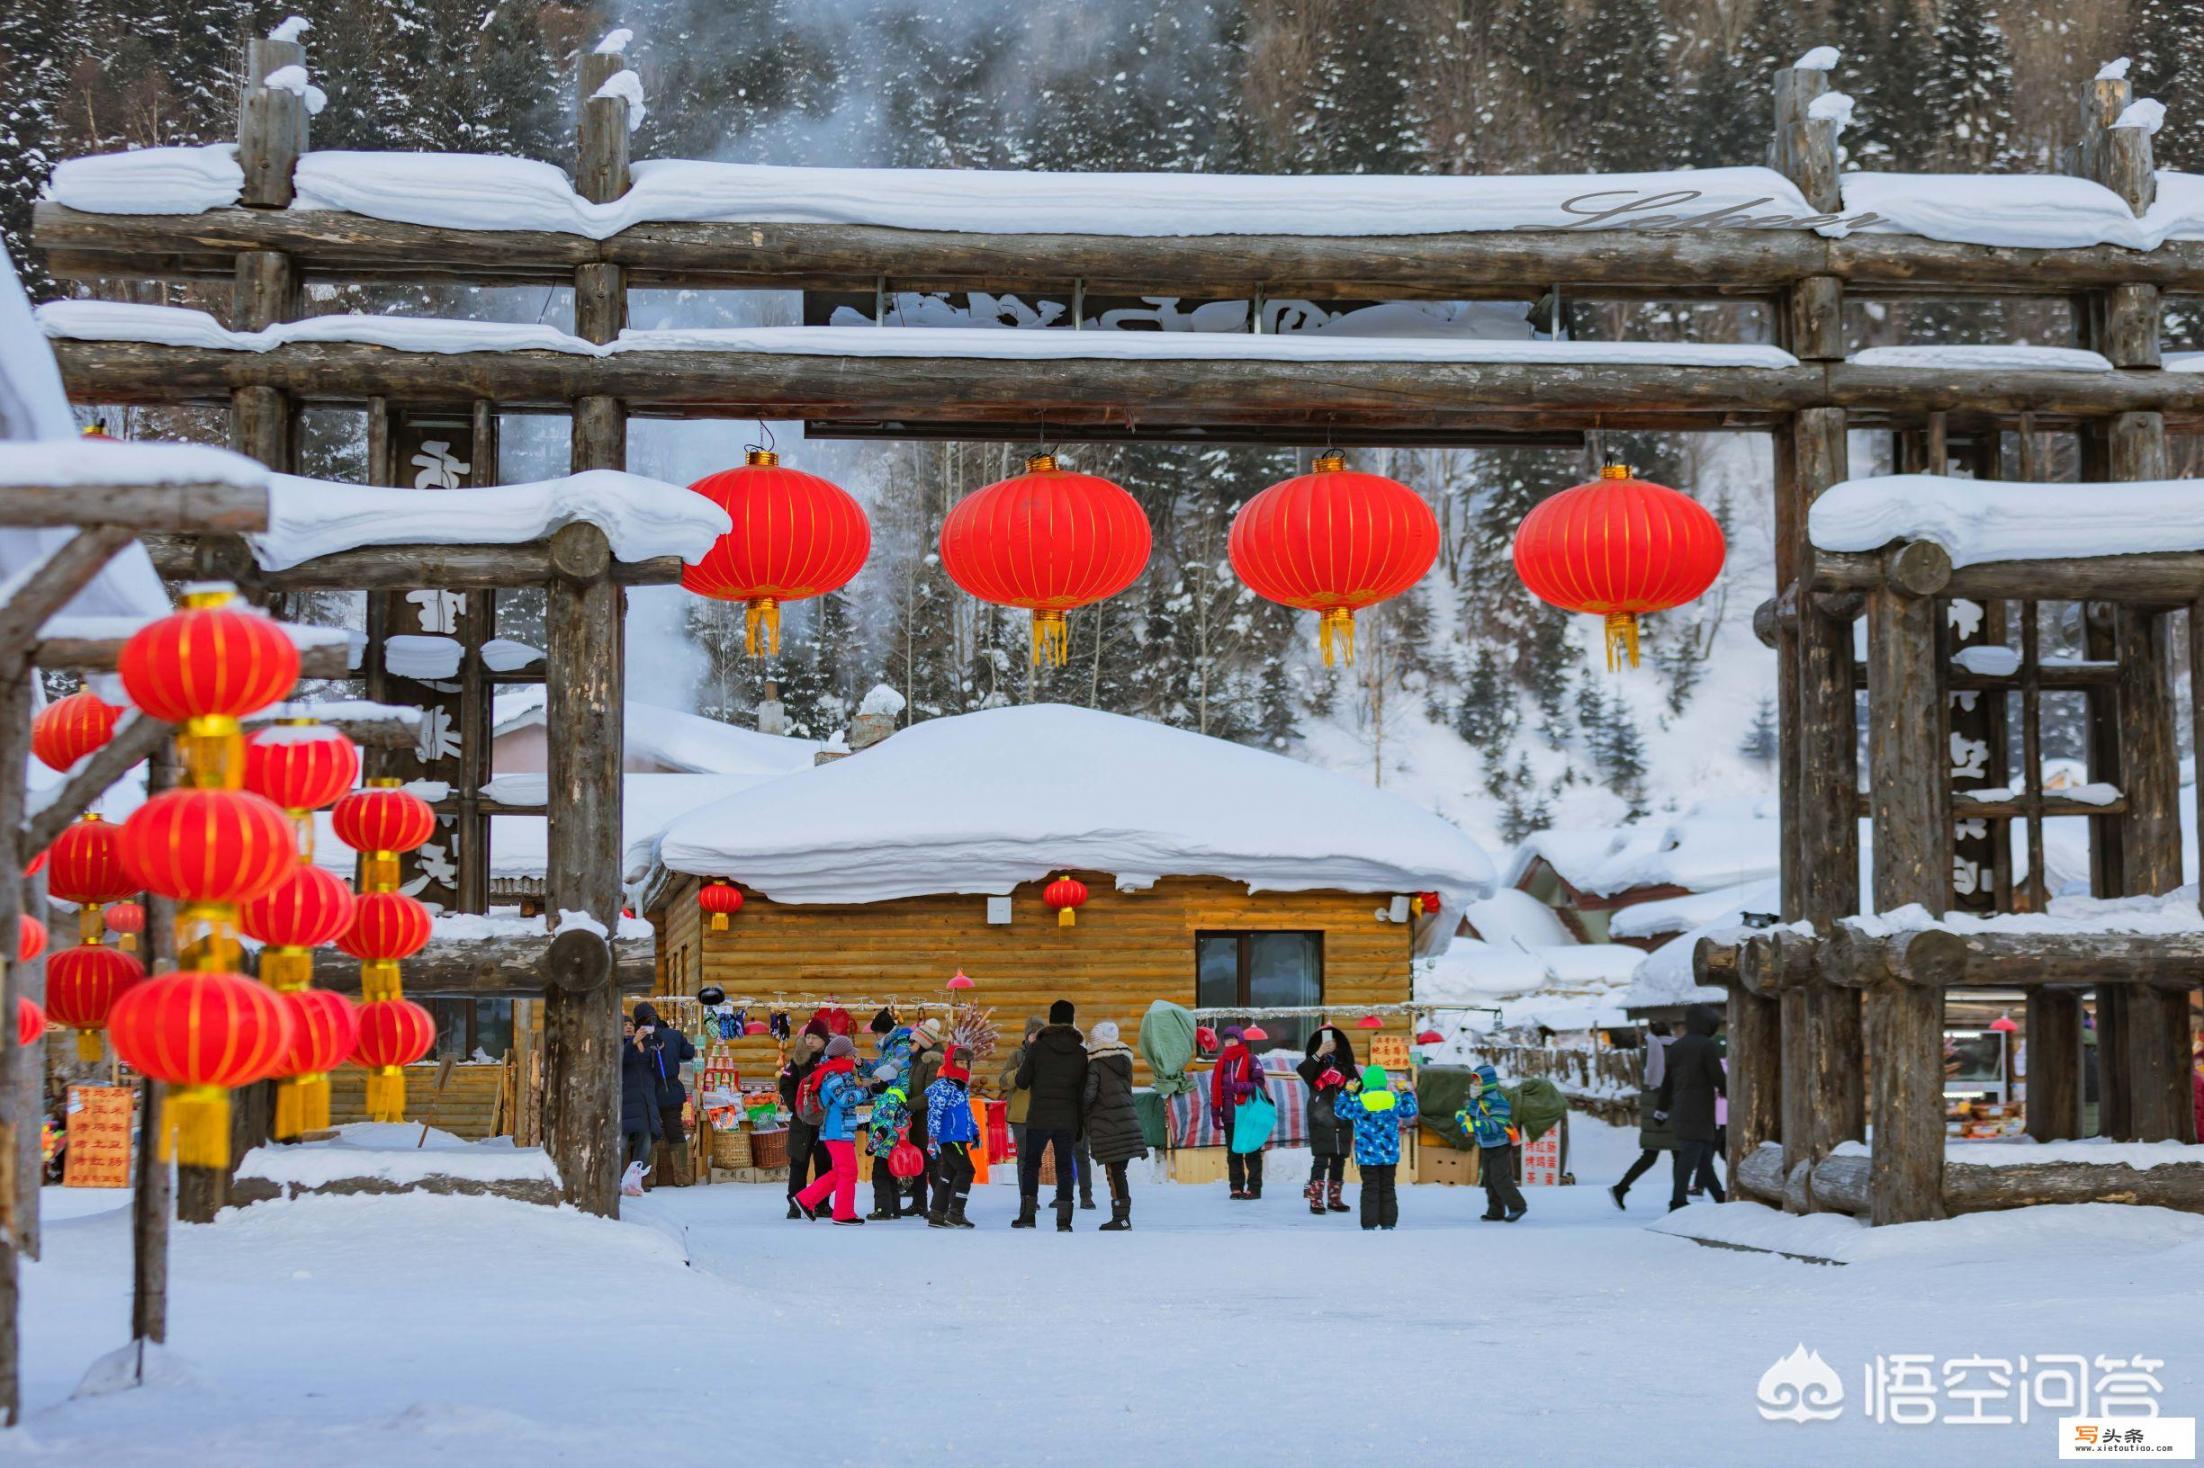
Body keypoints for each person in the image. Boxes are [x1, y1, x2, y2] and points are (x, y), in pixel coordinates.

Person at [1014, 999, 1087, 1231]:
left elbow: (1021, 1081)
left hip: (1039, 1116)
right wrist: (1079, 1124)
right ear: (1071, 1020)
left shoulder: (1037, 1048)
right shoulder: (1080, 1052)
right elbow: (1082, 1091)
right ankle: (1064, 1221)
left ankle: (1027, 1217)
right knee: (1065, 1167)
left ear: (1051, 1019)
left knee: (1031, 1164)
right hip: (1067, 1118)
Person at [1655, 1003, 1728, 1210]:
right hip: (1701, 1109)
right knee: (1691, 1155)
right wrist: (1729, 1093)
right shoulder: (1707, 1046)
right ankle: (1677, 1201)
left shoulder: (1677, 1046)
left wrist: (1661, 1109)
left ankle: (1720, 1197)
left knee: (1703, 1156)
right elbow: (1717, 1077)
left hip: (1681, 1107)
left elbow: (1667, 1080)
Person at [793, 1034, 867, 1224]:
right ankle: (843, 1214)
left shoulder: (841, 1072)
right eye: (850, 1054)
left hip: (841, 1128)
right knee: (849, 1171)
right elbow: (843, 1099)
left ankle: (805, 1199)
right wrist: (865, 1091)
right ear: (841, 1055)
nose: (853, 1057)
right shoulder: (831, 1074)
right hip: (836, 1129)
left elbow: (850, 1093)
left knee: (841, 1172)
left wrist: (867, 1084)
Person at [1081, 1020, 1148, 1231]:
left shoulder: (1096, 1063)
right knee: (1119, 1171)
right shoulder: (1123, 1061)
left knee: (1115, 1172)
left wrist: (1081, 1111)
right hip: (1126, 1119)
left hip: (1107, 1123)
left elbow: (1090, 1094)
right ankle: (1121, 1216)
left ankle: (1121, 1218)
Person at [1334, 1064, 1419, 1230]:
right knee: (1388, 1188)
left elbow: (1340, 1110)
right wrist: (1405, 1091)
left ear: (1365, 1082)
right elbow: (1410, 1110)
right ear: (1384, 1082)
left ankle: (1369, 1224)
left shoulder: (1359, 1101)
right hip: (1389, 1155)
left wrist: (1348, 1091)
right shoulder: (1394, 1099)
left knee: (1369, 1188)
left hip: (1367, 1156)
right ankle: (1388, 1224)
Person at [1610, 1022, 1673, 1210]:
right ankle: (1678, 1201)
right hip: (1670, 1106)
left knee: (1650, 1154)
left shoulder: (1647, 1049)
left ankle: (1621, 1187)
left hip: (1651, 1108)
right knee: (1679, 1154)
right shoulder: (1677, 1049)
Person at [1297, 1025, 1358, 1216]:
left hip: (1342, 1115)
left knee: (1339, 1157)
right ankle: (1315, 1199)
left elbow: (1358, 1086)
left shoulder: (1346, 1065)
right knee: (1321, 1157)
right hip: (1320, 1116)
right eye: (1324, 1041)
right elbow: (1303, 1071)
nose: (1329, 1043)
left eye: (1332, 1040)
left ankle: (1334, 1198)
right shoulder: (1315, 1062)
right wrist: (1319, 1053)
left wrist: (1342, 1082)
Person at [634, 1002, 695, 1188]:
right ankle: (682, 1177)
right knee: (675, 1132)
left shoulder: (640, 1038)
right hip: (671, 1090)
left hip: (649, 1092)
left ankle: (648, 1178)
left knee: (650, 1134)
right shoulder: (674, 1035)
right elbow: (689, 1053)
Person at [1457, 1063, 1526, 1223]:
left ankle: (1518, 1206)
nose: (1474, 1085)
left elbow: (1496, 1124)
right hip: (1486, 1145)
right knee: (1489, 1179)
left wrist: (1474, 1126)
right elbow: (1471, 1114)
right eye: (1473, 1082)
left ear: (1487, 1082)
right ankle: (1496, 1211)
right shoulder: (1479, 1099)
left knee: (1500, 1178)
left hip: (1499, 1145)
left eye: (1478, 1082)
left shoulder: (1498, 1101)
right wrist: (1463, 1117)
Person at [779, 1019, 832, 1219]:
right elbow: (785, 1082)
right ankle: (794, 1203)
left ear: (823, 1040)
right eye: (808, 1036)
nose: (810, 1041)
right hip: (801, 1121)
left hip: (825, 1120)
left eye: (814, 1037)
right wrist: (795, 1106)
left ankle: (821, 1203)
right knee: (798, 1163)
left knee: (824, 1163)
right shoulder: (797, 1060)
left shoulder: (831, 1059)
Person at [1210, 1023, 1267, 1199]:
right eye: (1226, 1041)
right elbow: (1215, 1089)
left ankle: (1254, 1188)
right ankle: (1236, 1187)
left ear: (1240, 1040)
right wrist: (1215, 1111)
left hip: (1248, 1113)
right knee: (1233, 1153)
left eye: (1233, 1039)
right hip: (1230, 1116)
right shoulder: (1221, 1063)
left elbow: (1259, 1084)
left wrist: (1242, 1086)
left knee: (1252, 1152)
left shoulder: (1251, 1059)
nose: (1230, 1043)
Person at [926, 1048, 981, 1228]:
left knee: (948, 1175)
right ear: (952, 1062)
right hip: (949, 1137)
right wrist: (932, 1138)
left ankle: (936, 1214)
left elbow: (967, 1112)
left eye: (967, 1063)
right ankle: (955, 1212)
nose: (964, 1066)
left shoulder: (961, 1087)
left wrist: (975, 1131)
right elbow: (934, 1114)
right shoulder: (943, 1087)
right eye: (960, 1062)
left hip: (960, 1136)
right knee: (966, 1170)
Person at [904, 1017, 947, 1215]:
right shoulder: (917, 1060)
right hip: (917, 1118)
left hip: (930, 1119)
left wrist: (907, 1105)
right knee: (918, 1162)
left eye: (912, 1041)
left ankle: (941, 1206)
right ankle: (919, 1203)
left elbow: (931, 1093)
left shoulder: (933, 1060)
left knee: (932, 1163)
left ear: (922, 1042)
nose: (909, 1044)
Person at [619, 1014, 661, 1181]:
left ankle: (634, 1180)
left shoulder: (643, 1045)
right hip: (624, 1102)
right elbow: (619, 1060)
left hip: (645, 1101)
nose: (629, 1026)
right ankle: (614, 1182)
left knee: (645, 1143)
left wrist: (657, 1047)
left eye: (631, 1024)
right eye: (625, 1024)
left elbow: (654, 1069)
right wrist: (633, 1042)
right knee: (620, 1144)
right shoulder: (617, 1045)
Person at [865, 1082, 912, 1220]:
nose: (875, 1082)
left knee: (880, 1178)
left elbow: (884, 1127)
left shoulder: (888, 1098)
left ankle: (882, 1210)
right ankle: (894, 1209)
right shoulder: (898, 1096)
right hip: (894, 1146)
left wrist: (871, 1147)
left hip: (884, 1147)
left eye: (878, 1079)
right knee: (891, 1178)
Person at [1000, 1015, 1044, 1161]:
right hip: (1020, 1117)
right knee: (1025, 1158)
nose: (1037, 1038)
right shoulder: (1017, 1055)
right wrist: (1022, 1068)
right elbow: (1003, 1082)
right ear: (1027, 1036)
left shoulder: (1049, 1056)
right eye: (1033, 1035)